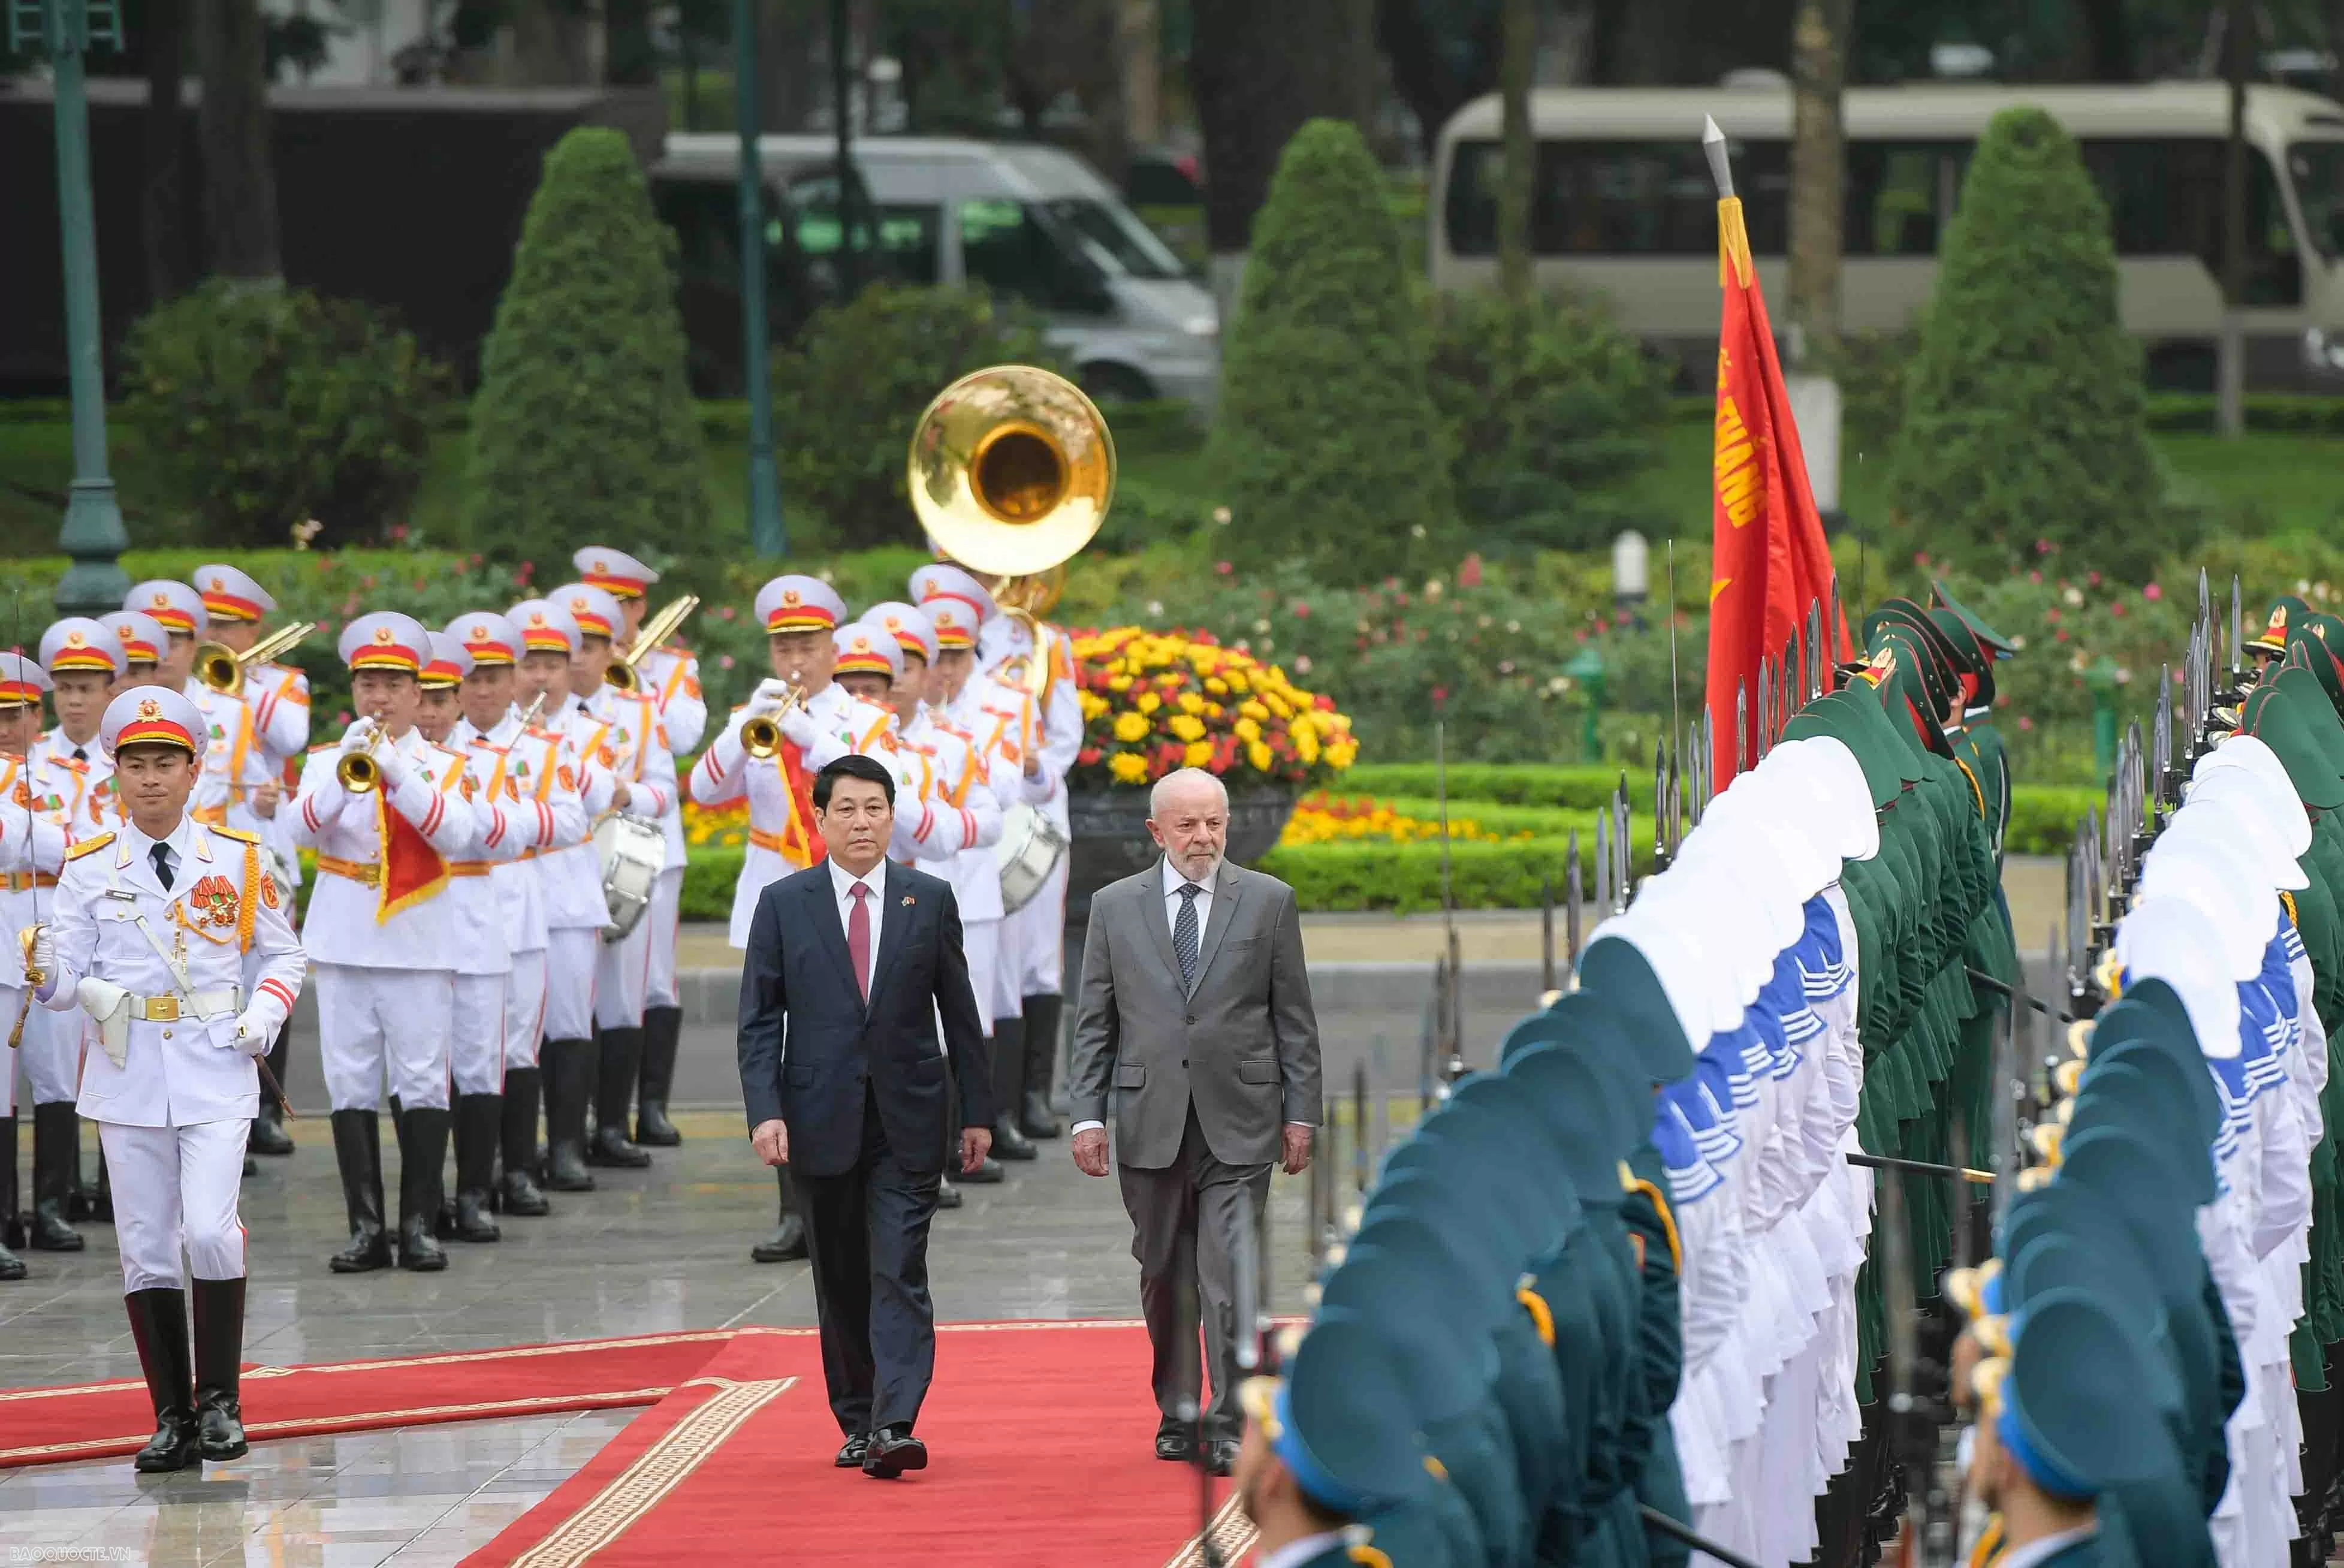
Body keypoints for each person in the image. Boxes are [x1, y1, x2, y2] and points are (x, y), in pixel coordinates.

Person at [26, 685, 304, 1471]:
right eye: (136, 765)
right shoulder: (85, 869)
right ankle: (172, 1416)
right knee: (146, 1247)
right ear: (117, 773)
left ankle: (221, 1402)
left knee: (210, 1230)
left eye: (165, 764)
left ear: (195, 770)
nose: (151, 779)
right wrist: (45, 975)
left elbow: (283, 954)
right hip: (128, 1069)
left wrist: (266, 1015)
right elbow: (63, 980)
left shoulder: (239, 861)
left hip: (217, 1064)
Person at [735, 755, 994, 1478]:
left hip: (909, 1117)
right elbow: (758, 1021)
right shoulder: (784, 904)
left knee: (898, 1268)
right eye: (845, 809)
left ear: (892, 815)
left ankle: (894, 1422)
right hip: (817, 1118)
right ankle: (856, 1418)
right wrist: (764, 1112)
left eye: (874, 807)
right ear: (819, 819)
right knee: (841, 1276)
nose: (861, 822)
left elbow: (961, 1015)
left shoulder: (928, 898)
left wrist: (976, 1113)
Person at [1067, 765, 1322, 1473]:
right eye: (1186, 825)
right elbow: (1094, 1021)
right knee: (1162, 1272)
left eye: (1213, 822)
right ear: (1156, 832)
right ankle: (1177, 1408)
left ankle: (1230, 1415)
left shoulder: (1268, 901)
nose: (1202, 837)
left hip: (1240, 1120)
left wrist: (1301, 1113)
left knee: (1228, 1274)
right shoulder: (1115, 907)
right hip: (1148, 1119)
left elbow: (1293, 1019)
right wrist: (1085, 1116)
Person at [690, 574, 883, 1260]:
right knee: (781, 1053)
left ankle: (855, 1192)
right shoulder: (756, 714)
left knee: (842, 1049)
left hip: (845, 897)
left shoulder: (861, 720)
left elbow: (873, 784)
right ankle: (794, 1210)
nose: (795, 658)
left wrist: (811, 734)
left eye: (807, 643)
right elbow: (705, 788)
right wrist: (747, 730)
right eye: (784, 646)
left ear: (834, 647)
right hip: (774, 896)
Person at [290, 613, 478, 1273]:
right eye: (368, 683)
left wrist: (396, 769)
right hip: (345, 936)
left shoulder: (442, 763)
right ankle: (366, 1228)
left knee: (424, 1079)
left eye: (393, 685)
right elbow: (299, 831)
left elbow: (456, 835)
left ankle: (419, 1225)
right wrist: (345, 777)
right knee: (349, 1082)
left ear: (414, 691)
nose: (379, 697)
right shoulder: (325, 759)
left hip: (417, 940)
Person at [414, 630, 555, 1242]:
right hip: (412, 932)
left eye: (440, 701)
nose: (431, 713)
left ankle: (473, 1193)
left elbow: (508, 830)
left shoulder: (489, 764)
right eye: (421, 700)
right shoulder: (384, 767)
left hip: (476, 923)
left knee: (481, 1064)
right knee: (421, 1072)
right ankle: (422, 1201)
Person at [448, 610, 588, 1220]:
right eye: (471, 677)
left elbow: (573, 819)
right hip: (456, 913)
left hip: (521, 907)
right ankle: (473, 1180)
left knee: (521, 1048)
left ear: (512, 683)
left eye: (493, 677)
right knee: (468, 1051)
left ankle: (520, 1169)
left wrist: (508, 825)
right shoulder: (437, 747)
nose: (482, 689)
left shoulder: (539, 748)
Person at [574, 547, 707, 1148]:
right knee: (587, 983)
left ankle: (647, 1106)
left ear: (640, 606)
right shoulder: (569, 670)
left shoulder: (672, 669)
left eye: (622, 603)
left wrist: (638, 671)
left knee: (650, 979)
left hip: (650, 847)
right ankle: (594, 1114)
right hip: (581, 845)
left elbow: (683, 736)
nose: (613, 613)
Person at [549, 581, 678, 1172]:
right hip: (556, 868)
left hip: (622, 860)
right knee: (561, 1003)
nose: (578, 656)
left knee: (623, 994)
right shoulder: (535, 715)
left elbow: (665, 791)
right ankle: (563, 1135)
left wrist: (628, 793)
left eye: (591, 644)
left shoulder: (637, 709)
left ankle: (612, 1124)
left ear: (610, 650)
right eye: (567, 645)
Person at [195, 564, 312, 1160]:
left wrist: (244, 683)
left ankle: (269, 1108)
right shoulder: (197, 684)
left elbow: (292, 738)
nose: (214, 633)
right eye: (210, 621)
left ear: (253, 628)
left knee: (268, 968)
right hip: (208, 834)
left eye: (227, 625)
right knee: (218, 972)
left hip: (261, 838)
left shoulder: (283, 682)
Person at [509, 597, 624, 1194]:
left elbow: (610, 792)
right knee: (513, 1030)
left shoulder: (589, 730)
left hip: (570, 889)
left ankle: (566, 1146)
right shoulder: (497, 732)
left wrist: (557, 757)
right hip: (508, 896)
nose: (540, 677)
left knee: (570, 1024)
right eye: (528, 664)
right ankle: (517, 1156)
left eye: (551, 665)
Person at [16, 622, 117, 1256]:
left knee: (63, 1068)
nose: (75, 702)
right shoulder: (34, 761)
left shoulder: (96, 770)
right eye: (65, 690)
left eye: (88, 689)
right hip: (22, 912)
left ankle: (56, 1200)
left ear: (111, 689)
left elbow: (91, 846)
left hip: (70, 917)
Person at [0, 653, 67, 1280]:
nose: (4, 726)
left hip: (50, 933)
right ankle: (0, 1222)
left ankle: (51, 1206)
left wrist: (26, 827)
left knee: (55, 1077)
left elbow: (77, 843)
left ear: (36, 714)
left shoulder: (67, 774)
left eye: (15, 713)